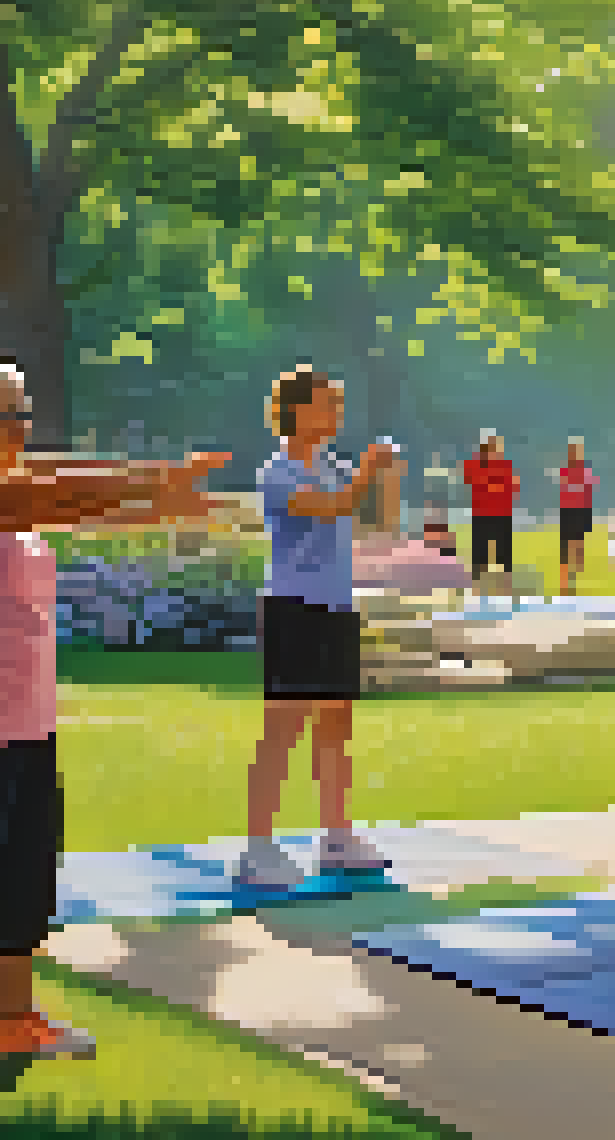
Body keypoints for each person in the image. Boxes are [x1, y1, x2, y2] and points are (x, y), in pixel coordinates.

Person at [0, 351, 227, 1082]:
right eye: (13, 414)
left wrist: (154, 500)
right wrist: (151, 481)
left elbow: (55, 481)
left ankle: (11, 1021)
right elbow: (56, 495)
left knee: (22, 872)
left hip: (17, 713)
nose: (27, 427)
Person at [235, 367, 399, 890]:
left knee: (336, 723)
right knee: (283, 726)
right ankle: (258, 847)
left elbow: (379, 524)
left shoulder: (333, 465)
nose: (336, 415)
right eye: (327, 405)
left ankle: (337, 838)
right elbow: (336, 507)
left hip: (335, 606)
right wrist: (368, 471)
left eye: (338, 405)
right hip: (292, 607)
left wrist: (385, 476)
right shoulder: (278, 471)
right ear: (297, 411)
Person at [463, 431, 518, 594]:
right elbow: (472, 482)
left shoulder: (505, 465)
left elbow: (512, 488)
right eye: (488, 446)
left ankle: (503, 590)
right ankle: (479, 590)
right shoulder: (473, 465)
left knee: (503, 558)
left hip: (501, 516)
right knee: (481, 558)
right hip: (482, 516)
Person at [556, 438, 599, 597]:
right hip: (568, 512)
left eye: (578, 450)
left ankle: (576, 582)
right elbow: (564, 492)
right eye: (573, 450)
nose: (575, 454)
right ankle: (566, 585)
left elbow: (588, 494)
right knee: (567, 550)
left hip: (580, 512)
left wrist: (587, 517)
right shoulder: (565, 470)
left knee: (578, 548)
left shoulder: (585, 471)